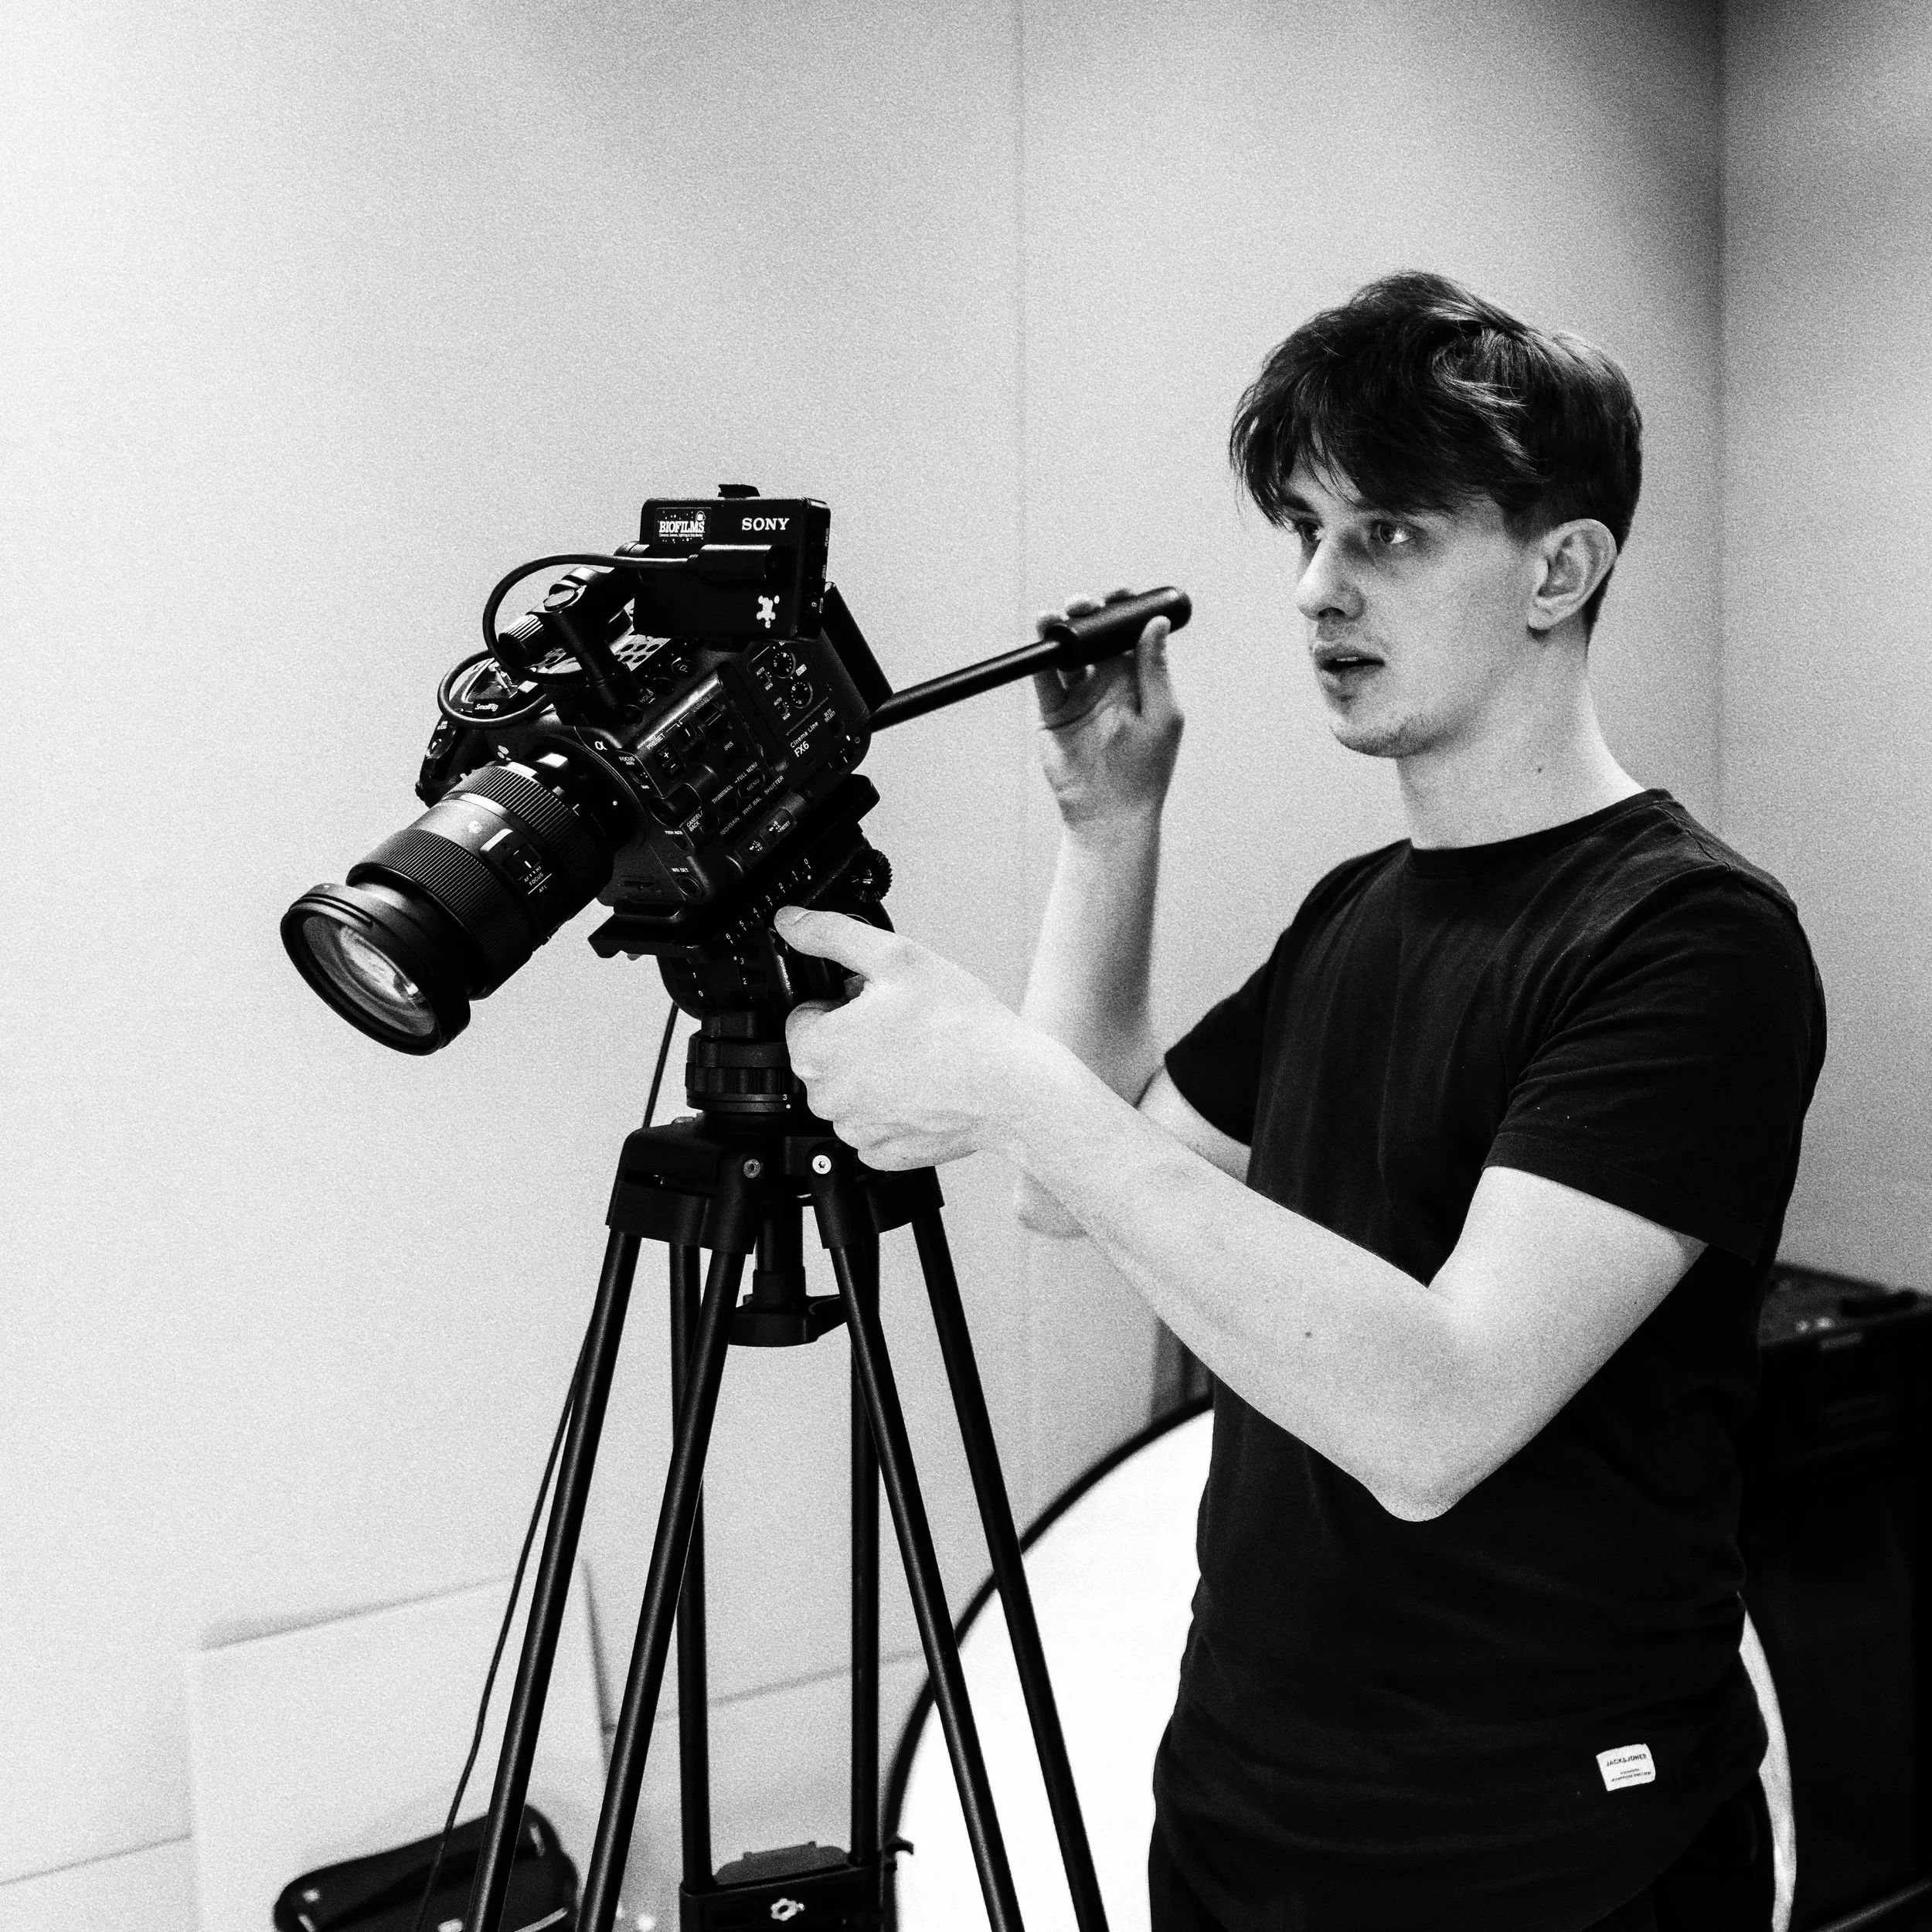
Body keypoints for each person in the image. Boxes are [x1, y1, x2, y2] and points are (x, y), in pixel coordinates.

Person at [774, 270, 1825, 1931]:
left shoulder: (1689, 939)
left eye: (1389, 532)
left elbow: (1433, 1415)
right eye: (1302, 532)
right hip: (1250, 1801)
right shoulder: (1357, 909)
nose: (1320, 589)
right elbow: (1084, 1166)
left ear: (1562, 565)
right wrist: (1107, 830)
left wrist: (990, 1077)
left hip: (1543, 1849)